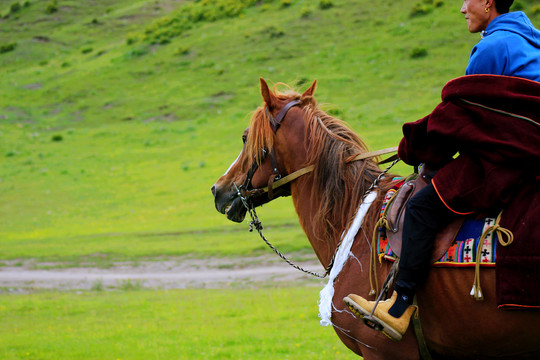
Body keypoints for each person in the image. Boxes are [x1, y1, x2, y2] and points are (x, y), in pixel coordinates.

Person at [343, 0, 540, 341]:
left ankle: (399, 306)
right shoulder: (531, 40)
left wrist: (414, 148)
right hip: (528, 153)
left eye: (468, 0)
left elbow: (458, 119)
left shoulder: (492, 47)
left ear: (488, 3)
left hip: (506, 164)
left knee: (421, 207)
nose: (463, 8)